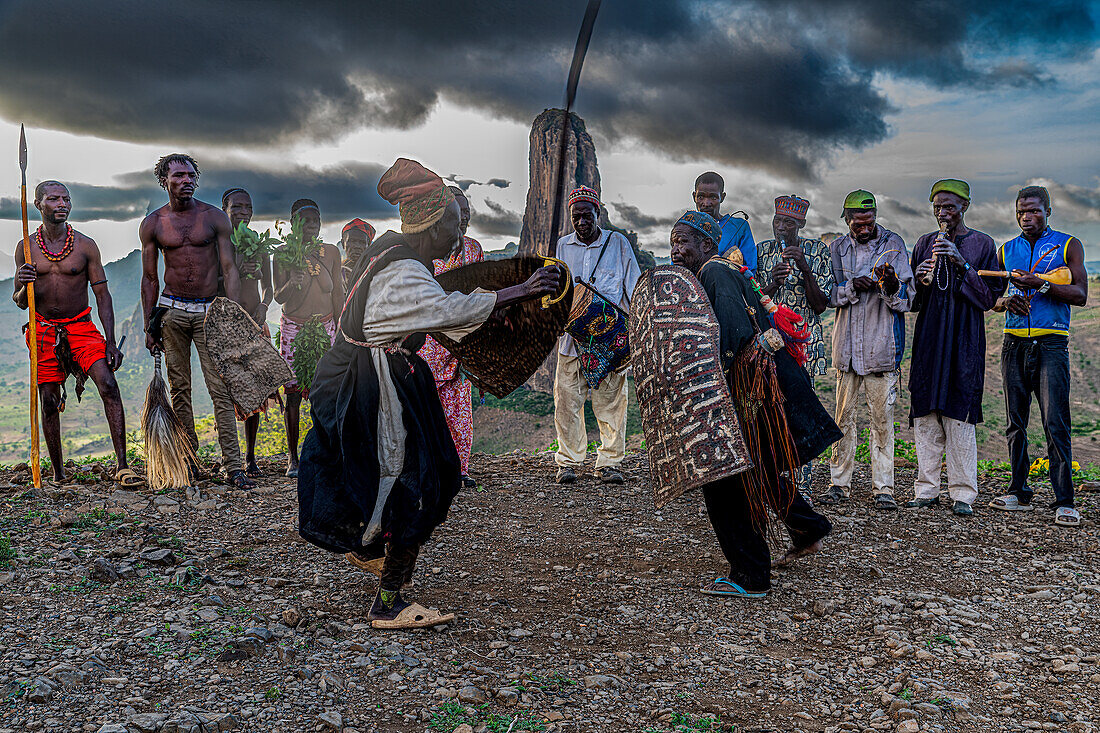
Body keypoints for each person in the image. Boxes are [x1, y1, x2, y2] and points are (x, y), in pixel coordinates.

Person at [297, 158, 562, 627]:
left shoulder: (394, 252)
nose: (459, 237)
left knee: (403, 474)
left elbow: (438, 308)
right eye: (455, 225)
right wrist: (520, 290)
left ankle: (374, 549)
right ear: (432, 223)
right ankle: (390, 602)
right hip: (372, 380)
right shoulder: (404, 272)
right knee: (419, 481)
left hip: (376, 370)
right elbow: (443, 310)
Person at [668, 211, 838, 597]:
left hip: (744, 395)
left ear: (707, 245)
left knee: (724, 477)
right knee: (759, 465)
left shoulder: (713, 273)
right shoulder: (715, 273)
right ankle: (807, 529)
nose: (677, 250)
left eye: (684, 242)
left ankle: (750, 574)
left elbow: (734, 340)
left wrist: (711, 401)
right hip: (759, 393)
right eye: (673, 242)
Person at [13, 181, 139, 486]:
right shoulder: (26, 248)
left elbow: (103, 295)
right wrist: (21, 282)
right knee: (48, 400)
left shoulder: (85, 245)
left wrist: (110, 340)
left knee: (108, 383)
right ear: (38, 205)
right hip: (43, 328)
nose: (62, 204)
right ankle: (58, 473)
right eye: (53, 199)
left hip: (81, 327)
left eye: (66, 199)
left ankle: (122, 465)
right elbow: (20, 302)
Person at [140, 154, 253, 489]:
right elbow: (149, 278)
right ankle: (190, 463)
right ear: (165, 180)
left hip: (208, 311)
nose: (186, 181)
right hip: (172, 312)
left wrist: (230, 317)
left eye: (191, 175)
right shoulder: (154, 223)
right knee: (180, 390)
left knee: (220, 389)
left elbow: (229, 268)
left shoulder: (214, 217)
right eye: (179, 176)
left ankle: (233, 466)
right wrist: (150, 325)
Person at [989, 185, 1089, 526]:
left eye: (1033, 211)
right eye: (1020, 212)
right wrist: (1005, 302)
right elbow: (990, 297)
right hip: (1013, 343)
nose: (1026, 217)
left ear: (1048, 210)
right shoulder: (1006, 250)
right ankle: (1018, 492)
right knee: (1015, 422)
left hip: (1051, 344)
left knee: (1054, 422)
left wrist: (1041, 285)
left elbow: (1080, 294)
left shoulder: (1067, 244)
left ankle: (1065, 501)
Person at [907, 180, 1004, 516]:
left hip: (964, 341)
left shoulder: (981, 244)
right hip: (930, 340)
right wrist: (919, 278)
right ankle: (926, 490)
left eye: (949, 206)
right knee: (926, 416)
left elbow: (988, 298)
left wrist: (962, 263)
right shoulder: (923, 244)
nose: (942, 213)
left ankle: (963, 494)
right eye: (937, 207)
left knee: (959, 415)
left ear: (965, 206)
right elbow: (915, 302)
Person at [823, 190, 914, 510]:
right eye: (857, 222)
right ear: (847, 220)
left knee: (882, 420)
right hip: (846, 347)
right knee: (843, 418)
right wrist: (851, 287)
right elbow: (826, 295)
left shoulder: (894, 245)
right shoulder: (836, 248)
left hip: (881, 346)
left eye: (869, 220)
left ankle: (884, 488)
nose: (864, 227)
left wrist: (888, 285)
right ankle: (839, 483)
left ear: (875, 216)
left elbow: (909, 297)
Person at [553, 186, 641, 485]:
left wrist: (638, 331)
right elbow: (557, 289)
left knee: (612, 402)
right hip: (572, 340)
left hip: (609, 340)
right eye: (576, 217)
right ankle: (568, 462)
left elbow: (634, 287)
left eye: (586, 216)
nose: (581, 222)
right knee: (567, 401)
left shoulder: (618, 244)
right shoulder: (563, 247)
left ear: (597, 214)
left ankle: (609, 462)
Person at [757, 194, 834, 494]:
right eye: (778, 220)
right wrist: (773, 284)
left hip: (804, 345)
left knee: (801, 411)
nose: (782, 227)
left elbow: (820, 304)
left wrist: (805, 269)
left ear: (801, 223)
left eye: (789, 222)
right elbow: (754, 300)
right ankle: (772, 480)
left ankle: (802, 485)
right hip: (770, 343)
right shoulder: (763, 252)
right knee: (767, 407)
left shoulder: (816, 252)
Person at [418, 186, 484, 488]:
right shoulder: (427, 251)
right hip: (429, 340)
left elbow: (481, 291)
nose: (464, 219)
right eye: (459, 213)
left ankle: (459, 468)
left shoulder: (474, 249)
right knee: (427, 406)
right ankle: (428, 468)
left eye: (467, 213)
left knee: (459, 408)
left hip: (462, 339)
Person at [273, 199, 344, 477]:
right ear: (293, 224)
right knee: (292, 395)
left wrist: (340, 329)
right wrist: (293, 281)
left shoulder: (330, 253)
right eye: (305, 222)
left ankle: (322, 452)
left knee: (324, 393)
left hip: (326, 327)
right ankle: (293, 458)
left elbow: (336, 292)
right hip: (294, 327)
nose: (311, 227)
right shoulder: (282, 253)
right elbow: (278, 296)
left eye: (315, 221)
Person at [222, 187, 274, 478]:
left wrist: (265, 305)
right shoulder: (220, 243)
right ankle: (229, 457)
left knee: (254, 393)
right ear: (224, 208)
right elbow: (217, 281)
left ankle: (251, 458)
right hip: (228, 327)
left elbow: (268, 286)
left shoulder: (258, 243)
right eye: (237, 207)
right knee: (227, 393)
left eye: (248, 207)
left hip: (255, 324)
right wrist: (240, 268)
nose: (243, 212)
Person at [691, 171, 756, 270]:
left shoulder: (739, 227)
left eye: (713, 197)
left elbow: (750, 268)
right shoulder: (686, 228)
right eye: (701, 197)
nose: (706, 203)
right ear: (694, 197)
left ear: (722, 197)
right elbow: (677, 269)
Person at [340, 218, 375, 286]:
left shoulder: (373, 270)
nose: (357, 246)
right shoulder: (335, 271)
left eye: (362, 242)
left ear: (369, 246)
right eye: (352, 241)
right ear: (343, 244)